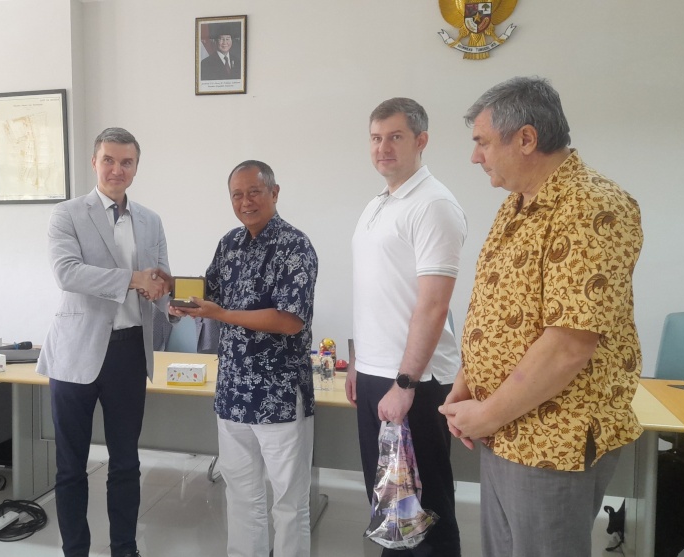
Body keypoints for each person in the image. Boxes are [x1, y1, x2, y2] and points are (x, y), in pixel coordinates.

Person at [438, 76, 643, 557]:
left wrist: (486, 414)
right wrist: (468, 383)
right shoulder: (518, 204)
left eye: (483, 142)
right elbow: (496, 308)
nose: (475, 157)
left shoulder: (591, 206)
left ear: (526, 139)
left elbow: (569, 344)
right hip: (504, 426)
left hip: (553, 438)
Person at [170, 160, 318, 557]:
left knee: (289, 502)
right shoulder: (229, 243)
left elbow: (289, 320)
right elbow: (209, 294)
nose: (245, 202)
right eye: (237, 195)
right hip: (233, 391)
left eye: (254, 192)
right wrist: (177, 299)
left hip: (279, 395)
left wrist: (220, 314)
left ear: (274, 192)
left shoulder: (295, 246)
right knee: (240, 494)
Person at [37, 127, 171, 557]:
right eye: (109, 160)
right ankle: (75, 549)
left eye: (126, 162)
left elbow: (160, 278)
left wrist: (164, 295)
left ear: (136, 167)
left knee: (126, 462)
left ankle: (124, 548)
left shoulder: (150, 220)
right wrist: (134, 279)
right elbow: (67, 273)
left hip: (129, 351)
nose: (117, 169)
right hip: (75, 351)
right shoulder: (67, 214)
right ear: (94, 162)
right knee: (71, 465)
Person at [345, 98, 467, 557]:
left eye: (395, 137)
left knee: (426, 509)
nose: (383, 148)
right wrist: (358, 361)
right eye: (376, 138)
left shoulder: (433, 204)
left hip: (414, 380)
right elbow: (374, 292)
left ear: (421, 141)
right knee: (390, 503)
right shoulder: (379, 203)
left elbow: (434, 306)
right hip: (376, 374)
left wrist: (404, 382)